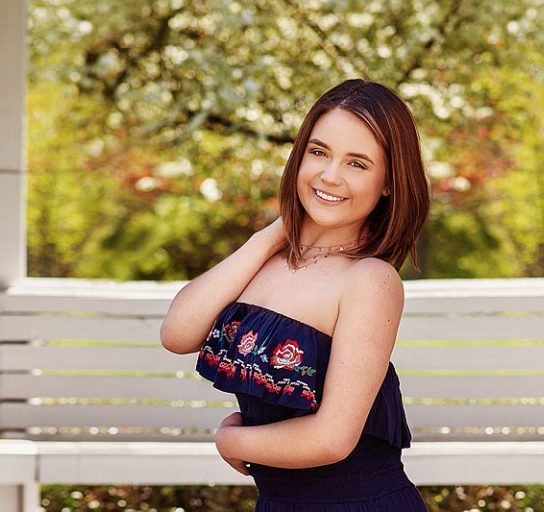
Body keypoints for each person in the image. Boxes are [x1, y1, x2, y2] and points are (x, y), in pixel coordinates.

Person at [161, 78, 431, 511]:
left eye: (357, 164)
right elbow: (177, 333)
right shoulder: (265, 262)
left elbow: (331, 439)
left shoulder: (370, 280)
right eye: (319, 152)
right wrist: (268, 237)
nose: (330, 175)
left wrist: (230, 439)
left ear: (388, 183)